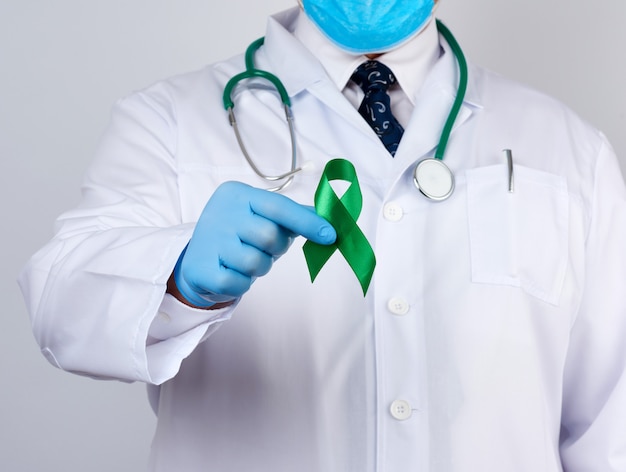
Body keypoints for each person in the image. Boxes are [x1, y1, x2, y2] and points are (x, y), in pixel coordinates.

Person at [19, 0, 626, 470]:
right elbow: (59, 305)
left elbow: (610, 428)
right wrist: (174, 275)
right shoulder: (169, 120)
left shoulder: (569, 149)